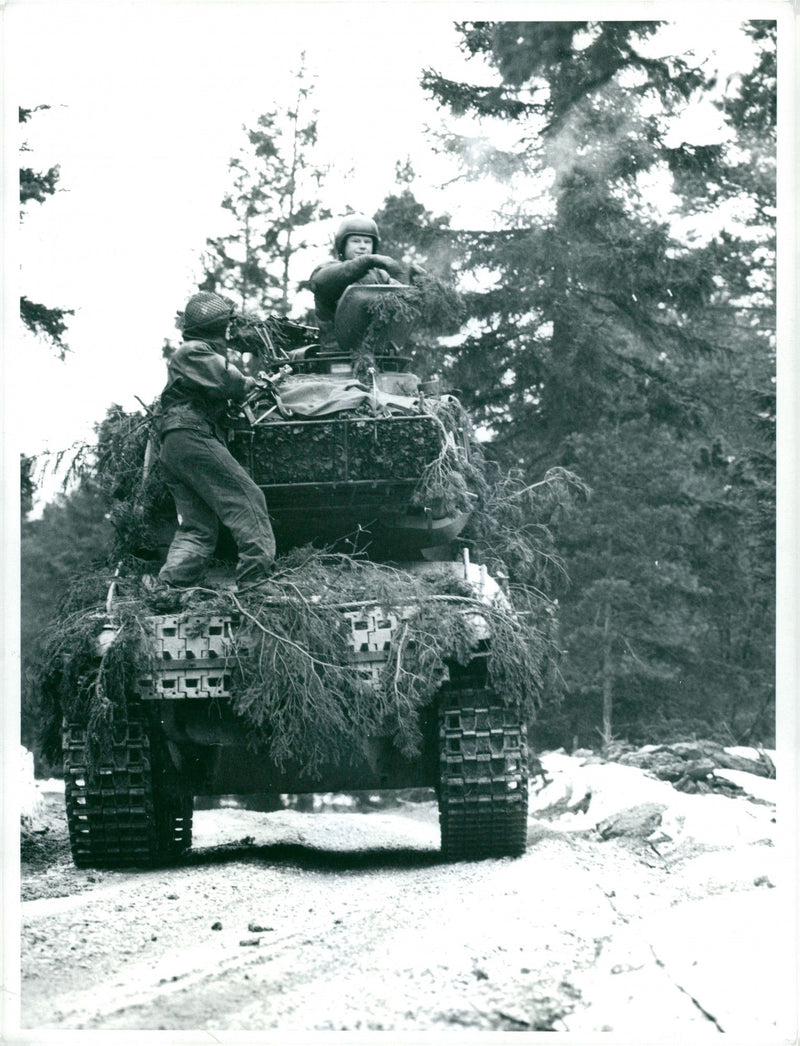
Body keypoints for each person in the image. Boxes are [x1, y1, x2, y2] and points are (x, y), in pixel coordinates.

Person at [155, 291, 275, 589]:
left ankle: (171, 587)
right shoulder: (193, 351)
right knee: (247, 499)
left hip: (177, 443)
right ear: (217, 326)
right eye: (226, 326)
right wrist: (251, 383)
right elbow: (229, 381)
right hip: (191, 435)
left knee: (199, 525)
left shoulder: (194, 351)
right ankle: (255, 580)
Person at [310, 215, 412, 351]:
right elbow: (321, 282)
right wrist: (367, 261)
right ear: (343, 245)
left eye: (367, 242)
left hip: (379, 354)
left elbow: (404, 301)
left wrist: (417, 285)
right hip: (336, 356)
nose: (362, 247)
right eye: (356, 241)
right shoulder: (328, 270)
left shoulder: (381, 276)